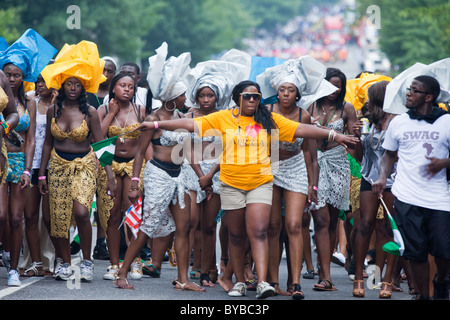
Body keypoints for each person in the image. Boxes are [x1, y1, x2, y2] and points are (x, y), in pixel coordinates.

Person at [135, 80, 358, 298]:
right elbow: (189, 125)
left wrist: (334, 135)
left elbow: (302, 129)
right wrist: (156, 125)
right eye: (247, 96)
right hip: (231, 184)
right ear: (237, 99)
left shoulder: (268, 119)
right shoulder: (224, 118)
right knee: (236, 236)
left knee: (259, 232)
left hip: (260, 182)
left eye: (256, 97)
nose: (252, 100)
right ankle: (239, 281)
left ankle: (262, 282)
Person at [114, 42, 205, 291]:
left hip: (179, 177)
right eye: (182, 95)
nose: (186, 98)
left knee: (183, 228)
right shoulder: (153, 119)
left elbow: (188, 148)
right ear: (172, 96)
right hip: (157, 174)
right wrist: (135, 182)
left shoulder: (180, 118)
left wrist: (200, 175)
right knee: (148, 227)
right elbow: (140, 151)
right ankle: (122, 273)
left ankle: (183, 279)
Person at [39, 40, 116, 282]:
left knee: (82, 212)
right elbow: (48, 144)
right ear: (62, 86)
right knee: (55, 218)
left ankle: (87, 261)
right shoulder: (54, 109)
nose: (73, 88)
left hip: (83, 166)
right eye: (69, 84)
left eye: (78, 84)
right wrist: (42, 174)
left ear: (84, 88)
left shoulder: (90, 112)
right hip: (58, 167)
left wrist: (110, 176)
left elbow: (101, 143)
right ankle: (64, 262)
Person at [257, 56, 332, 299]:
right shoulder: (265, 112)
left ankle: (296, 283)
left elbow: (311, 154)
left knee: (294, 224)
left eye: (291, 90)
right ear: (276, 92)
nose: (286, 93)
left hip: (296, 167)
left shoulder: (304, 116)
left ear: (297, 93)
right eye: (282, 89)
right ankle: (272, 281)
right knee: (272, 226)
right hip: (270, 167)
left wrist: (314, 184)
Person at [373, 75, 450, 300]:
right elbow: (388, 155)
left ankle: (443, 278)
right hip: (406, 196)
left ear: (429, 97)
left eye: (414, 91)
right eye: (409, 89)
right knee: (416, 252)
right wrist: (381, 177)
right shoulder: (399, 122)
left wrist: (444, 163)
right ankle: (424, 296)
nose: (408, 93)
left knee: (444, 249)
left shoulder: (446, 121)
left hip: (440, 197)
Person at [0, 29, 56, 286]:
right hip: (2, 160)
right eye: (8, 74)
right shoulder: (1, 101)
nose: (12, 79)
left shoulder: (30, 102)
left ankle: (13, 269)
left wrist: (28, 171)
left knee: (16, 217)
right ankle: (8, 250)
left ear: (24, 78)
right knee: (1, 216)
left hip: (22, 164)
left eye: (17, 75)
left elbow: (32, 138)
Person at [307, 67, 357, 291]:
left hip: (339, 165)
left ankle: (323, 264)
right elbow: (303, 134)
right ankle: (325, 276)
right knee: (320, 219)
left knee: (333, 218)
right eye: (331, 85)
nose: (335, 90)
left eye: (339, 86)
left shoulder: (347, 108)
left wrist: (344, 138)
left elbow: (353, 139)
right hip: (315, 164)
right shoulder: (310, 106)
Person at [97, 72, 146, 281]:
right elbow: (97, 139)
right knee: (112, 215)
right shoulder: (103, 109)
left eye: (131, 86)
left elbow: (145, 144)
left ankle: (134, 261)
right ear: (113, 88)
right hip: (109, 163)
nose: (127, 89)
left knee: (133, 213)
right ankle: (114, 264)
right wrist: (111, 114)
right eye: (122, 85)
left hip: (135, 164)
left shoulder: (141, 110)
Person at [352, 80, 398, 298]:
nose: (367, 101)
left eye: (371, 96)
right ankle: (360, 278)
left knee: (387, 228)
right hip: (368, 177)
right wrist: (356, 139)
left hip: (393, 180)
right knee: (365, 224)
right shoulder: (367, 120)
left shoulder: (398, 121)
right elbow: (361, 157)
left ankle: (386, 280)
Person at [22, 72, 58, 277]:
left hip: (52, 165)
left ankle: (49, 260)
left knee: (50, 218)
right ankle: (32, 260)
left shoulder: (60, 105)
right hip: (31, 163)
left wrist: (54, 105)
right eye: (37, 81)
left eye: (44, 81)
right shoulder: (30, 100)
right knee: (30, 215)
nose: (39, 85)